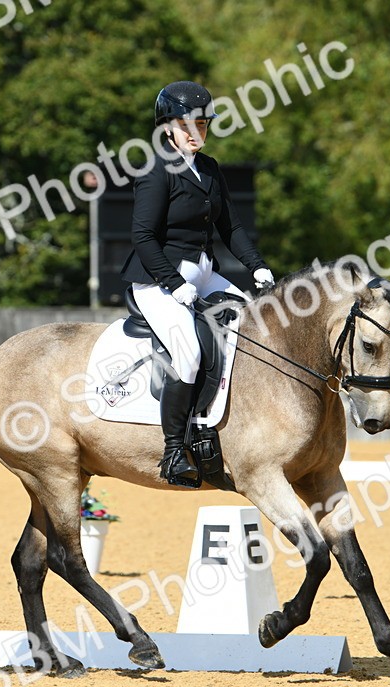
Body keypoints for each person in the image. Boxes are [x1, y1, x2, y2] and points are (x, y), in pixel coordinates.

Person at [120, 80, 275, 486]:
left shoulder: (209, 169)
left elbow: (231, 226)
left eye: (203, 125)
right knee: (187, 353)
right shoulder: (156, 170)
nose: (196, 133)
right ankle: (173, 452)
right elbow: (143, 238)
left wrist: (257, 266)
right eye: (187, 124)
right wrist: (173, 283)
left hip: (203, 272)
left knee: (254, 327)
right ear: (167, 127)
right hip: (157, 279)